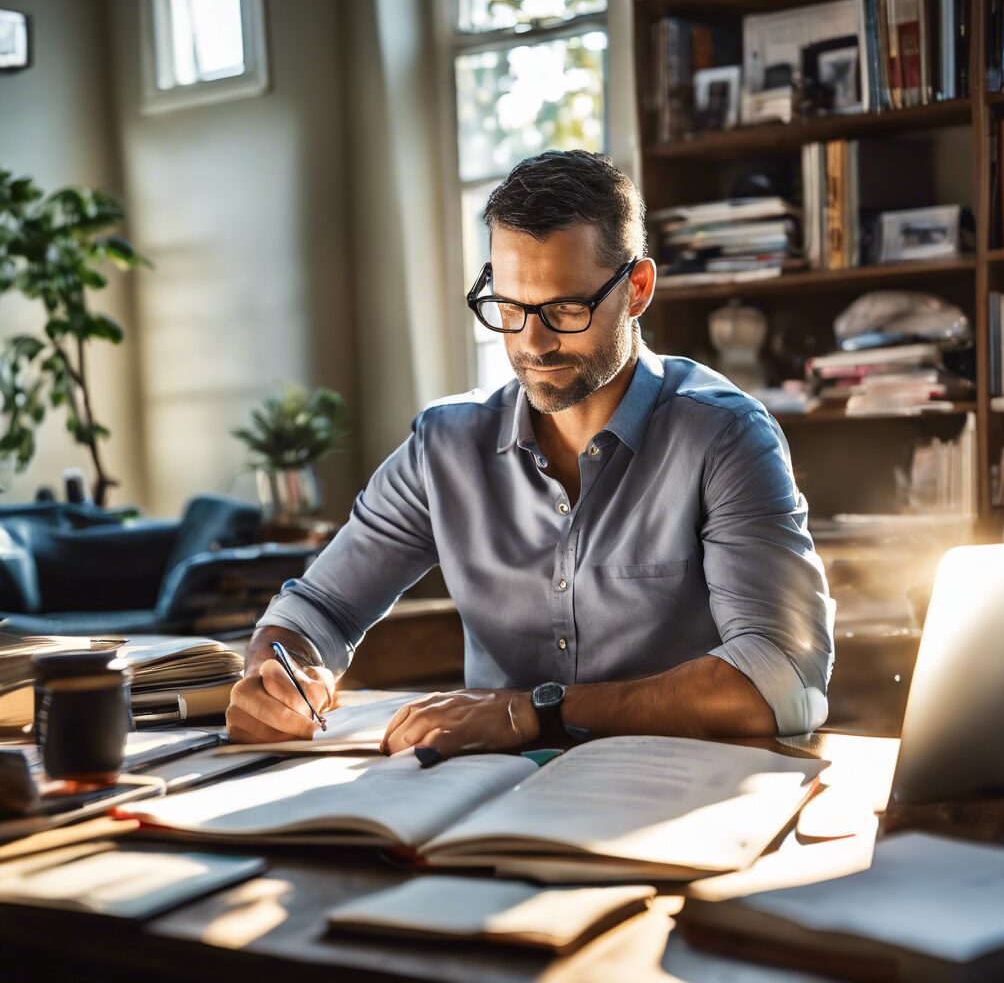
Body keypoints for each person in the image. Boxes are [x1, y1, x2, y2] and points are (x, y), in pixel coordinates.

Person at [227, 150, 834, 761]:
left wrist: (534, 714)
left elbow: (781, 677)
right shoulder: (445, 448)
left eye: (567, 309)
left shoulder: (725, 437)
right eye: (509, 308)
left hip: (669, 793)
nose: (532, 343)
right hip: (475, 798)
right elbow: (317, 609)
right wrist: (279, 673)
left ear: (638, 289)